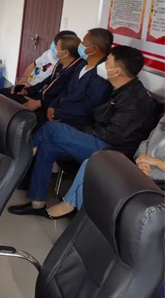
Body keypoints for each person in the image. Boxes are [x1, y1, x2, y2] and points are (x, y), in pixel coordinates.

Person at [9, 45, 157, 217]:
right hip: (101, 139)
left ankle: (19, 163)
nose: (102, 65)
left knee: (50, 129)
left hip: (113, 151)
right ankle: (37, 202)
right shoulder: (121, 89)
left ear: (117, 72)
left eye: (107, 62)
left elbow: (113, 135)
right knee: (48, 147)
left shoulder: (134, 100)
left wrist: (81, 130)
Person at [46, 114, 165, 220]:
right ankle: (79, 214)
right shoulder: (163, 119)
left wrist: (155, 162)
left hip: (157, 181)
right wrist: (142, 159)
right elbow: (145, 142)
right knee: (92, 163)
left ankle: (75, 211)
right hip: (140, 168)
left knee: (93, 176)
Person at [2, 35, 85, 128]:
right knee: (3, 93)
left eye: (57, 46)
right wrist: (26, 91)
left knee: (13, 113)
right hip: (38, 98)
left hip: (47, 108)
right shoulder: (60, 64)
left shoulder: (75, 71)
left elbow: (64, 96)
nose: (54, 48)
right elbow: (45, 82)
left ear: (65, 53)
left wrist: (40, 103)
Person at [46, 28, 114, 129]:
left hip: (78, 123)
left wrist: (58, 113)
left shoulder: (102, 74)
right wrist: (53, 105)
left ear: (93, 49)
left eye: (83, 42)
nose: (80, 45)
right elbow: (67, 89)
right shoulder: (82, 63)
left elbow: (89, 106)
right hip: (61, 111)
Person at [12, 30, 78, 90]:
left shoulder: (63, 66)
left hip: (36, 91)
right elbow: (34, 64)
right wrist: (25, 77)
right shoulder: (50, 52)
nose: (54, 47)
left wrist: (29, 89)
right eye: (55, 43)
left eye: (57, 45)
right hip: (27, 84)